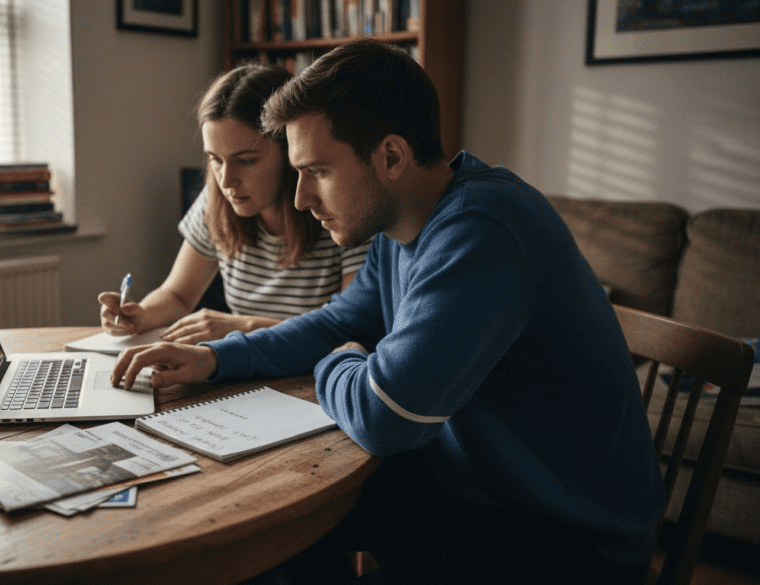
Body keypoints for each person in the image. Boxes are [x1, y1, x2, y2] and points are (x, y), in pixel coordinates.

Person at [112, 39, 665, 583]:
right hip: (473, 487)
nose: (301, 197)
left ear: (391, 157)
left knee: (289, 524)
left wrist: (340, 362)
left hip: (565, 537)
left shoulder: (481, 229)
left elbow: (387, 418)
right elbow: (337, 324)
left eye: (318, 171)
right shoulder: (399, 226)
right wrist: (213, 358)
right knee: (263, 518)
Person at [98, 64, 372, 345]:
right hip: (245, 370)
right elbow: (179, 295)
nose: (226, 181)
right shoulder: (216, 199)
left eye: (246, 161)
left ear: (292, 153)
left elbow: (350, 330)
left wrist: (244, 327)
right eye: (215, 159)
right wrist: (140, 314)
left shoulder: (338, 211)